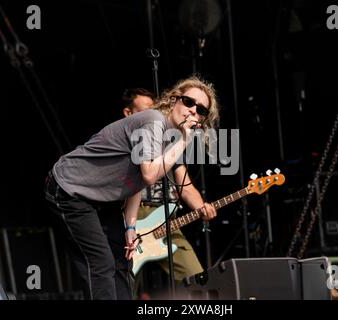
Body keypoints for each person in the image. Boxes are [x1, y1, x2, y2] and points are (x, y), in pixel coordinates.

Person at [44, 76, 219, 300]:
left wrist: (130, 226)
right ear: (174, 100)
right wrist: (185, 140)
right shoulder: (154, 121)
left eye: (201, 110)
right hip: (69, 188)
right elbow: (147, 174)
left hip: (101, 199)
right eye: (188, 102)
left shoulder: (168, 136)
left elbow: (135, 182)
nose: (193, 111)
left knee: (123, 260)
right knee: (101, 262)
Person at [120, 87, 214, 298]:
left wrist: (201, 207)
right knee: (125, 286)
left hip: (167, 218)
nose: (151, 115)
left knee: (197, 278)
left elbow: (186, 186)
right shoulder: (127, 137)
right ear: (128, 113)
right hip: (135, 215)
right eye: (144, 110)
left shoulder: (169, 140)